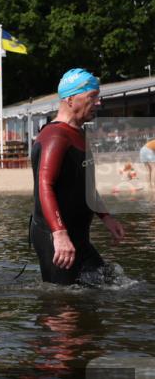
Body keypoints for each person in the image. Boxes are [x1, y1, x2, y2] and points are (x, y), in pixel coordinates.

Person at [30, 68, 125, 285]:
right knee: (62, 301)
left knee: (108, 285)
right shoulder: (55, 135)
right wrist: (59, 234)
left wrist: (106, 217)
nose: (99, 102)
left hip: (78, 236)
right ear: (70, 100)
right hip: (54, 236)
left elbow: (86, 185)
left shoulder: (79, 135)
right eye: (92, 96)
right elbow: (45, 185)